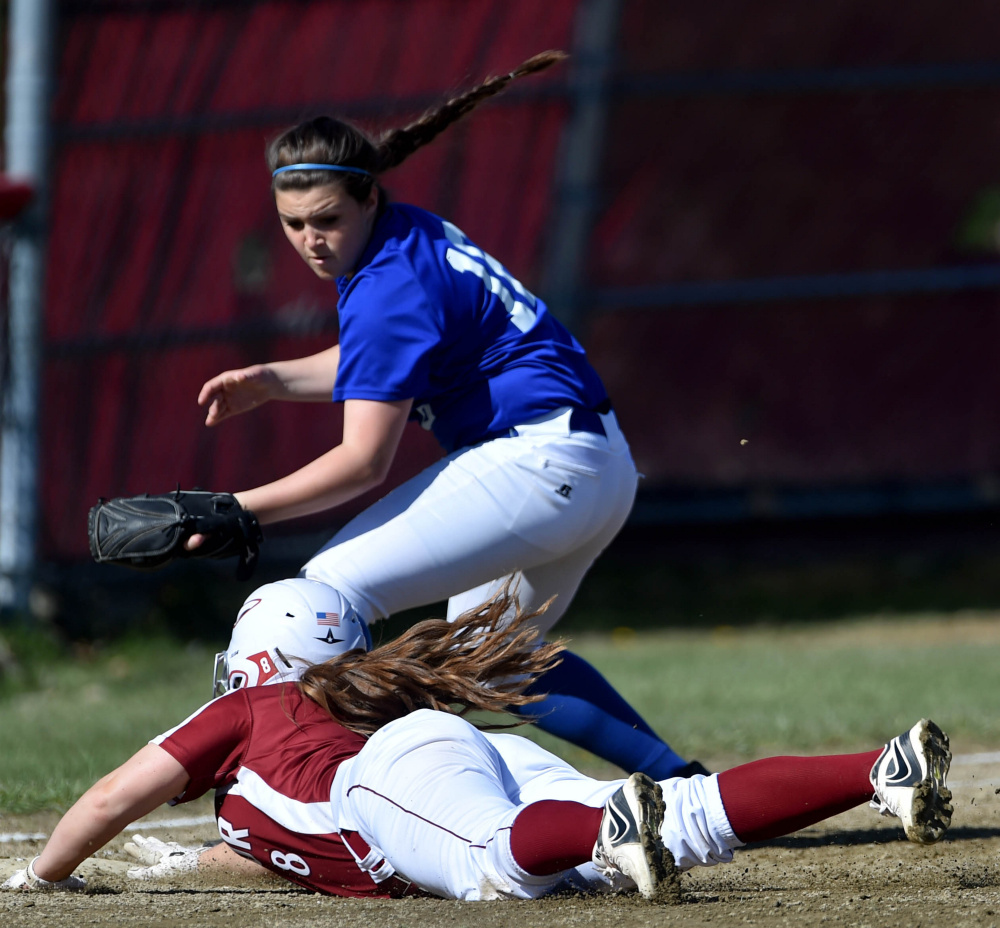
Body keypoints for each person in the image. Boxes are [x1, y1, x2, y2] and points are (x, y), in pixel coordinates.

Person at [189, 49, 702, 782]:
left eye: (327, 218)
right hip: (598, 467)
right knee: (488, 664)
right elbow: (389, 361)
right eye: (292, 222)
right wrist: (274, 379)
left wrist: (238, 510)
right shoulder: (408, 236)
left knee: (325, 593)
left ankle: (313, 790)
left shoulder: (387, 283)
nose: (310, 240)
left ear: (368, 198)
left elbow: (361, 462)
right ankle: (686, 787)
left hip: (537, 465)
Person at [3, 581, 953, 901]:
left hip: (397, 782)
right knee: (687, 822)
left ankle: (602, 824)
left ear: (259, 656)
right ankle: (882, 769)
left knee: (501, 866)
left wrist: (45, 875)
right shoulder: (337, 706)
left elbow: (104, 800)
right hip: (444, 762)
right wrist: (202, 862)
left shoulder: (245, 713)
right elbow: (293, 843)